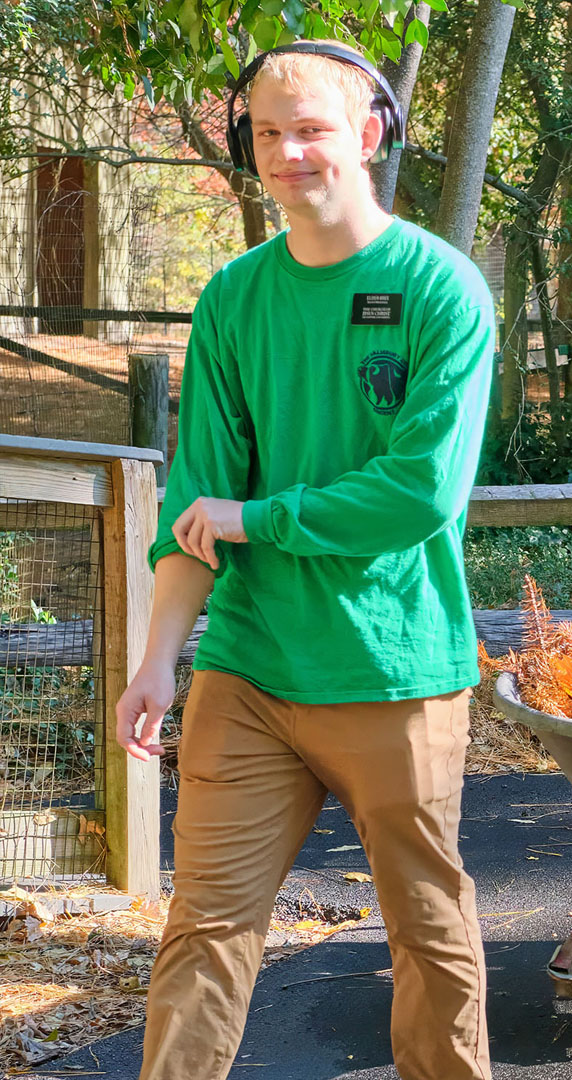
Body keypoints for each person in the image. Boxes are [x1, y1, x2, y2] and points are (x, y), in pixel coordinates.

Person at [114, 41, 494, 1080]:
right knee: (204, 925)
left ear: (369, 135)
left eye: (312, 130)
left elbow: (419, 493)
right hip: (248, 668)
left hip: (392, 668)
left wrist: (260, 519)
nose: (288, 153)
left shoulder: (439, 286)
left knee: (425, 924)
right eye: (269, 134)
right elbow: (197, 503)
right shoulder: (234, 297)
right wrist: (159, 660)